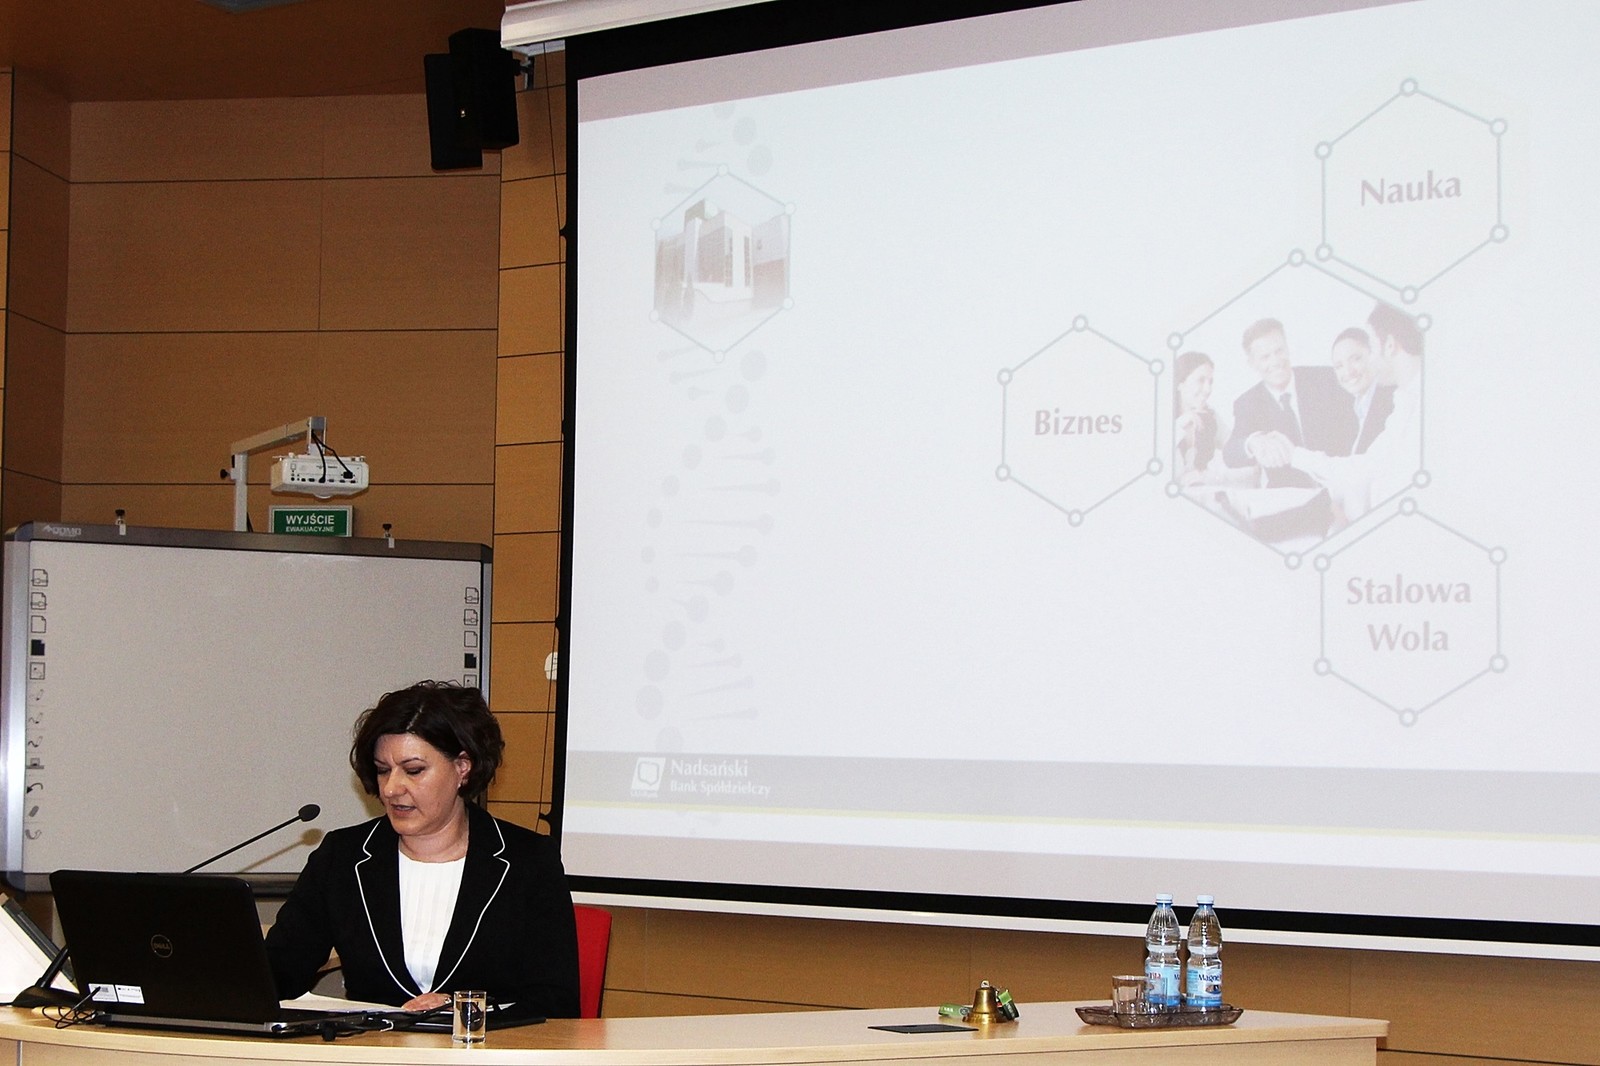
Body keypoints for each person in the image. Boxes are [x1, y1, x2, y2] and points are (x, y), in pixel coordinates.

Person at [265, 682, 580, 1019]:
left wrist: (466, 1011)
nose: (391, 788)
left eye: (413, 771)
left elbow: (557, 1002)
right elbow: (276, 976)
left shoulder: (527, 861)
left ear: (462, 767)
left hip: (482, 1047)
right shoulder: (342, 857)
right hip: (371, 1046)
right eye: (383, 770)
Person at [1221, 317, 1357, 486]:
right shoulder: (1248, 403)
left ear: (1287, 348)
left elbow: (1359, 428)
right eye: (1265, 357)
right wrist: (1251, 443)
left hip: (1340, 486)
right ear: (1252, 363)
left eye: (1279, 351)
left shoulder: (1326, 379)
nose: (1275, 361)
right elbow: (1230, 453)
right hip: (1290, 498)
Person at [1328, 326, 1395, 454]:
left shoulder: (1391, 400)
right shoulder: (1356, 407)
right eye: (1339, 366)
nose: (1348, 372)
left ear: (1372, 355)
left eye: (1356, 359)